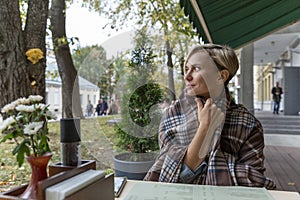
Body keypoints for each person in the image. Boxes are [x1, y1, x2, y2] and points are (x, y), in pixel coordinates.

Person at [144, 44, 276, 189]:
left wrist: (196, 162)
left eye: (197, 69)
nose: (187, 76)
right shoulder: (173, 113)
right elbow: (170, 174)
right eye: (187, 69)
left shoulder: (248, 124)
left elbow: (255, 183)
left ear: (221, 76)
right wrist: (205, 127)